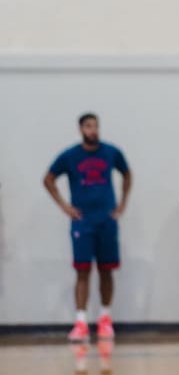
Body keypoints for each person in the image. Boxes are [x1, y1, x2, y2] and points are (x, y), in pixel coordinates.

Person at [43, 114, 131, 342]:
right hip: (83, 221)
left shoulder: (111, 152)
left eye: (96, 126)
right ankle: (81, 322)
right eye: (89, 126)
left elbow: (127, 173)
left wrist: (121, 204)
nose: (93, 130)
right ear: (81, 129)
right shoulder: (70, 155)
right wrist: (65, 207)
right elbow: (48, 179)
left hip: (106, 220)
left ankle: (105, 319)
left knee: (106, 270)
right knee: (82, 270)